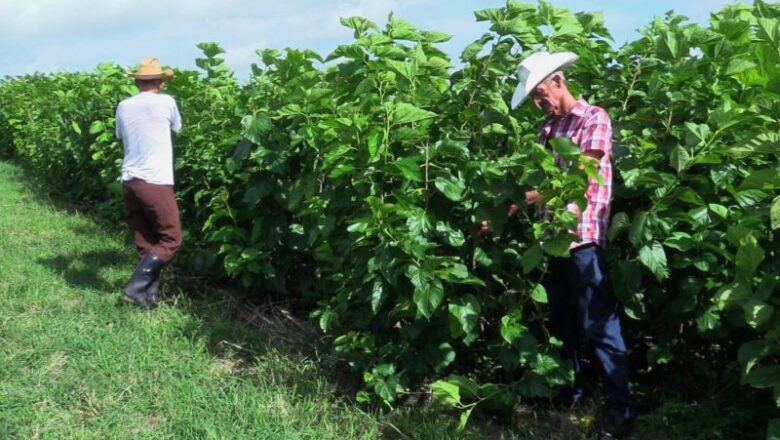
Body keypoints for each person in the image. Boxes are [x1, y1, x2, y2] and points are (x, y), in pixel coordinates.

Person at [510, 52, 632, 439]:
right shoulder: (548, 129)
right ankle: (572, 395)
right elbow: (537, 177)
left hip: (582, 239)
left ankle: (620, 410)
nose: (538, 103)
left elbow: (583, 173)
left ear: (559, 82)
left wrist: (529, 197)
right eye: (533, 97)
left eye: (540, 94)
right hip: (551, 242)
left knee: (599, 324)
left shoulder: (594, 118)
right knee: (563, 323)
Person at [115, 57, 183, 309]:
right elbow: (177, 127)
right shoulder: (167, 102)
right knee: (171, 239)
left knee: (146, 242)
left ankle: (147, 299)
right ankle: (135, 288)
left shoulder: (124, 105)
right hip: (155, 180)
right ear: (161, 82)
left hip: (129, 180)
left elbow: (119, 135)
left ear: (137, 82)